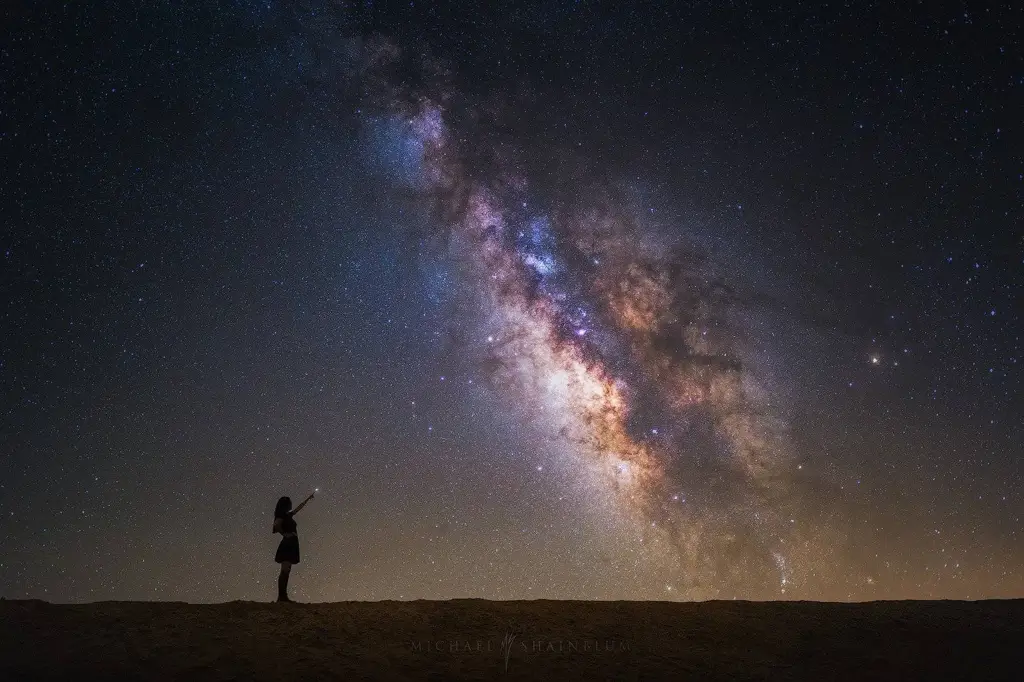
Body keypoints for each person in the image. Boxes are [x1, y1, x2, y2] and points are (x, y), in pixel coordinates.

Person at [273, 491, 314, 602]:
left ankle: (283, 597)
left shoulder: (287, 515)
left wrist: (308, 499)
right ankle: (281, 597)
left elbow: (298, 508)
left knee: (287, 569)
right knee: (285, 569)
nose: (291, 506)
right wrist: (285, 534)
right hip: (288, 542)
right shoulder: (281, 515)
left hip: (292, 543)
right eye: (289, 504)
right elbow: (276, 525)